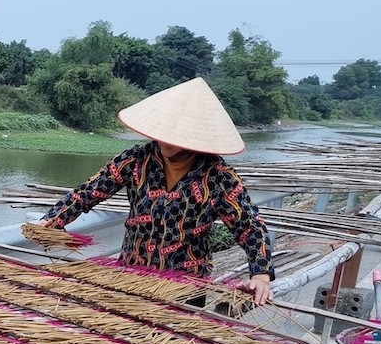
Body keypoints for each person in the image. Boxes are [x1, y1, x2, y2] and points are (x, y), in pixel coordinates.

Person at [38, 77, 274, 306]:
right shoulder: (135, 160)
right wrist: (54, 220)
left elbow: (249, 226)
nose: (164, 140)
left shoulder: (218, 177)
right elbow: (90, 191)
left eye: (176, 135)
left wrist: (260, 275)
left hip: (186, 285)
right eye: (163, 131)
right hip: (132, 276)